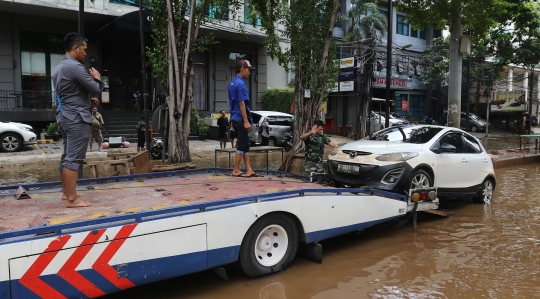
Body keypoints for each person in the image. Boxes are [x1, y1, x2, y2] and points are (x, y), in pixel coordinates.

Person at [52, 32, 104, 208]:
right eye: (84, 49)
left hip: (64, 114)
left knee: (67, 155)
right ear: (75, 48)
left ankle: (67, 193)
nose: (85, 53)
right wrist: (97, 78)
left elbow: (70, 93)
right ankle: (72, 199)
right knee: (73, 158)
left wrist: (88, 101)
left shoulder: (59, 67)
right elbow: (95, 88)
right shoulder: (75, 67)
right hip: (76, 117)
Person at [228, 60, 258, 177]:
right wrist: (246, 121)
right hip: (240, 119)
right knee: (242, 144)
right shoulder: (241, 84)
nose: (249, 72)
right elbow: (242, 103)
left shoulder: (232, 83)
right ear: (242, 69)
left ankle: (249, 169)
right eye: (248, 70)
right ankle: (236, 169)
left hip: (235, 117)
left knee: (245, 144)